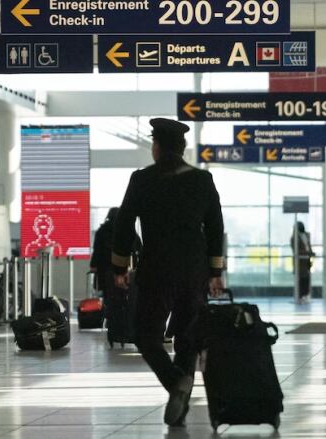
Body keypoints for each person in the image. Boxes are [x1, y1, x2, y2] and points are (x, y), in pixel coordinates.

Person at [111, 118, 225, 427]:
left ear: (157, 147)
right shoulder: (203, 180)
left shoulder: (142, 179)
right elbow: (215, 227)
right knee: (187, 338)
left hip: (156, 269)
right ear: (183, 147)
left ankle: (175, 382)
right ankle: (180, 396)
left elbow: (123, 224)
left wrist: (119, 266)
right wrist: (216, 271)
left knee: (145, 335)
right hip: (194, 271)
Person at [89, 207, 141, 297]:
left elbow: (97, 252)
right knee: (128, 298)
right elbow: (139, 249)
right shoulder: (127, 230)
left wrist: (93, 265)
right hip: (127, 272)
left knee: (109, 299)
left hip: (106, 272)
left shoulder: (101, 232)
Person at [290, 222, 314, 304]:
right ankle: (299, 296)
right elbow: (296, 250)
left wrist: (310, 252)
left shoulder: (306, 236)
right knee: (300, 280)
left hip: (306, 261)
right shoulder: (294, 238)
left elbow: (308, 246)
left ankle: (305, 295)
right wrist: (307, 253)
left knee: (306, 279)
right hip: (299, 262)